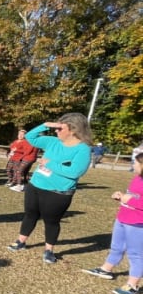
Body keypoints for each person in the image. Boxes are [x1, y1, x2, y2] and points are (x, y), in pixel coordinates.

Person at [7, 113, 92, 264]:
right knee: (30, 214)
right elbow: (30, 138)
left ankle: (49, 250)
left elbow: (75, 172)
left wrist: (49, 163)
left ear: (73, 130)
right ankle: (21, 241)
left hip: (58, 192)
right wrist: (45, 125)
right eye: (55, 127)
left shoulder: (83, 149)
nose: (56, 131)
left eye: (60, 128)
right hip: (36, 185)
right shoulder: (53, 141)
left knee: (51, 221)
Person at [82, 153, 143, 294]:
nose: (132, 165)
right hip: (123, 218)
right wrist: (121, 196)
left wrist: (130, 200)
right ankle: (106, 269)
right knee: (117, 246)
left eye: (135, 163)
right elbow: (134, 196)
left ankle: (132, 286)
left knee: (136, 254)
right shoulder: (137, 178)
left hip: (137, 223)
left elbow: (135, 201)